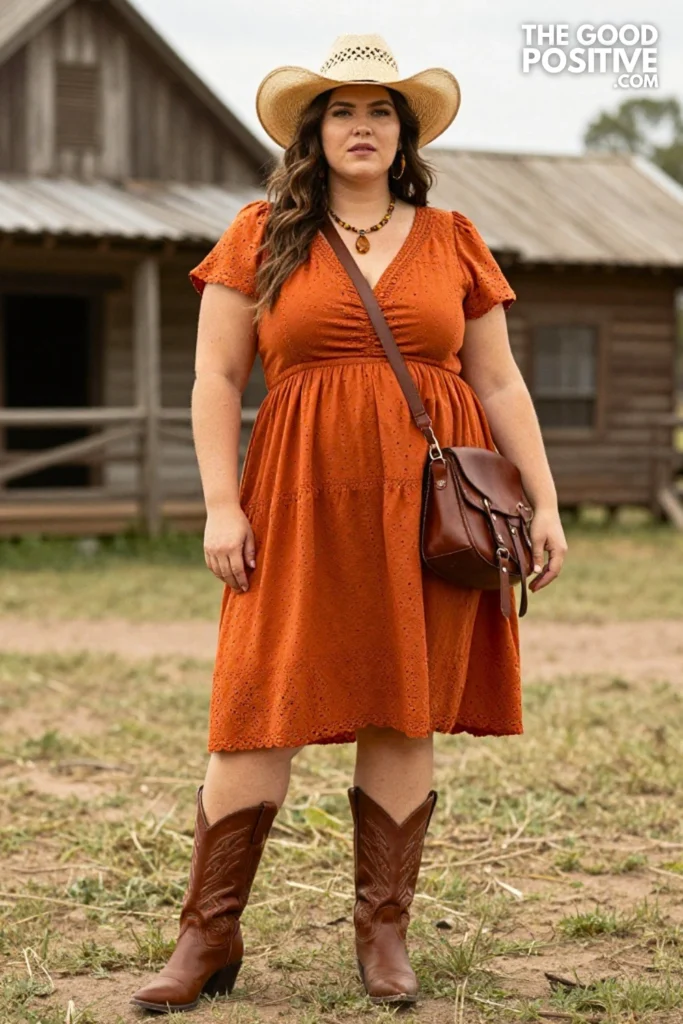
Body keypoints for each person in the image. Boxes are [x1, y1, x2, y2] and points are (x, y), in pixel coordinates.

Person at [131, 32, 567, 1015]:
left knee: (401, 703)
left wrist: (541, 502)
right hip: (295, 497)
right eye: (341, 110)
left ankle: (383, 936)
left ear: (402, 132)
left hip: (429, 507)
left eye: (379, 111)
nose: (361, 126)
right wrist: (217, 501)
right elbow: (212, 376)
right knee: (256, 703)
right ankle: (207, 933)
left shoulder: (452, 235)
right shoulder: (260, 232)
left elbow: (495, 378)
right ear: (313, 130)